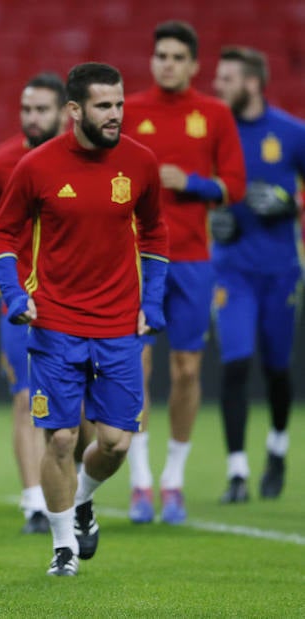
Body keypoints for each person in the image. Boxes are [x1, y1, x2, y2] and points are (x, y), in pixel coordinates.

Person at [0, 62, 169, 576]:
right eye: (103, 106)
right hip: (56, 323)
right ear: (75, 110)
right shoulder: (38, 166)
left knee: (113, 443)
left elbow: (155, 236)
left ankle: (83, 499)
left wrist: (151, 303)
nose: (115, 115)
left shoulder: (141, 163)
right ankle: (63, 547)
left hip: (118, 326)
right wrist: (14, 295)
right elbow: (1, 236)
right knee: (63, 437)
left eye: (119, 105)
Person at [123, 21, 246, 524]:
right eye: (161, 56)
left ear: (195, 65)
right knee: (138, 368)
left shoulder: (213, 113)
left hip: (193, 260)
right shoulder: (130, 110)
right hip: (136, 258)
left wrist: (192, 183)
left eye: (177, 56)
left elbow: (234, 185)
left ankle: (173, 478)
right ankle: (139, 481)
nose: (167, 63)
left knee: (188, 369)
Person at [0, 72, 68, 534]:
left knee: (71, 410)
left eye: (42, 109)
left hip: (77, 302)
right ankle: (33, 503)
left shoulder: (86, 162)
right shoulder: (3, 162)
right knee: (25, 398)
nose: (33, 118)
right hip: (20, 297)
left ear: (66, 112)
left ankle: (67, 489)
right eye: (27, 109)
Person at [211, 46, 305, 502]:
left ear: (251, 83)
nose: (217, 85)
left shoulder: (290, 133)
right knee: (236, 362)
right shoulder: (213, 134)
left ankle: (278, 448)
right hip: (231, 271)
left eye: (226, 78)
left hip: (281, 272)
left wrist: (291, 204)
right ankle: (237, 472)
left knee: (277, 370)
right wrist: (212, 215)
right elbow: (198, 192)